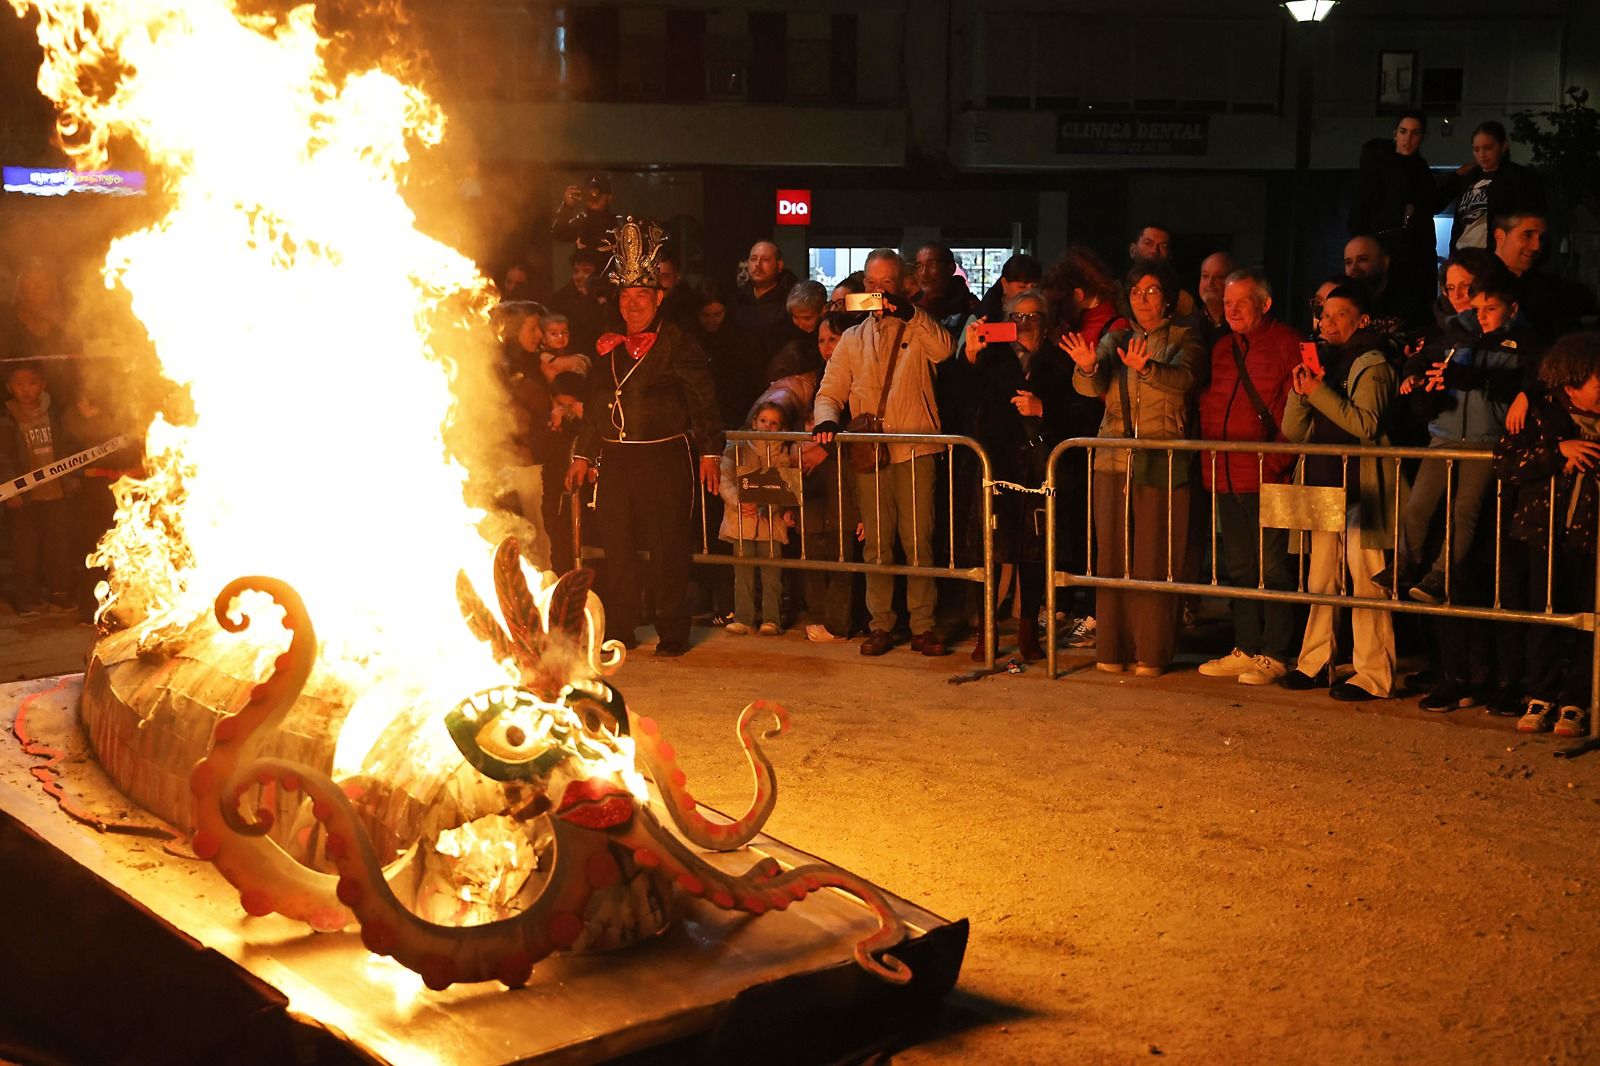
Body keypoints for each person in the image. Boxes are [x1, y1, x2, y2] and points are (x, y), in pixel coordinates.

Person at [566, 219, 723, 657]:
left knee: (667, 545)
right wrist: (584, 453)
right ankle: (621, 627)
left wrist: (711, 451)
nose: (632, 305)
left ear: (658, 297)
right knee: (616, 548)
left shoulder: (679, 343)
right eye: (626, 296)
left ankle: (673, 632)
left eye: (641, 296)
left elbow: (703, 398)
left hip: (664, 457)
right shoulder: (608, 344)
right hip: (616, 459)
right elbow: (598, 401)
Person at [1061, 258, 1203, 677]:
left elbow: (1185, 381)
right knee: (1112, 555)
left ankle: (1153, 652)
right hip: (1112, 456)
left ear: (1169, 298)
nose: (1143, 299)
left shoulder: (1186, 337)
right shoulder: (1117, 336)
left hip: (1161, 455)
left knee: (1154, 557)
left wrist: (1148, 368)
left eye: (1152, 290)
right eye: (1136, 291)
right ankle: (1113, 646)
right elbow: (1089, 384)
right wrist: (1087, 365)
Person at [812, 248, 955, 657]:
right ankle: (881, 624)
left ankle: (923, 624)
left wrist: (910, 313)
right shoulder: (854, 338)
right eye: (871, 284)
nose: (879, 291)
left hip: (915, 447)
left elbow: (945, 350)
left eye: (887, 282)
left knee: (918, 540)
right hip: (870, 452)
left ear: (903, 283)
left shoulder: (919, 328)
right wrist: (826, 420)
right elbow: (831, 389)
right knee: (876, 543)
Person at [1278, 284, 1400, 701]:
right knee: (1319, 578)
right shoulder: (1324, 363)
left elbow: (1365, 425)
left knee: (1368, 581)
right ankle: (1314, 662)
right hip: (1320, 479)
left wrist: (1318, 392)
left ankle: (1373, 673)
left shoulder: (1375, 364)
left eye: (1338, 315)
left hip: (1362, 485)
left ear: (1362, 320)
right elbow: (1293, 432)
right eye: (1323, 315)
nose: (1326, 323)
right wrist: (1300, 392)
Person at [1389, 270, 1534, 606]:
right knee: (1417, 505)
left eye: (1490, 308)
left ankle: (1441, 575)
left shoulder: (1522, 343)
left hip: (1485, 439)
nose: (1480, 315)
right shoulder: (1458, 331)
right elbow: (1425, 359)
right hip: (1445, 434)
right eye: (1477, 307)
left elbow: (1521, 381)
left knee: (1464, 510)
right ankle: (1403, 564)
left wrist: (1474, 378)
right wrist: (1414, 376)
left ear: (1512, 309)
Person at [952, 288, 1076, 662]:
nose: (1025, 324)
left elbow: (1079, 410)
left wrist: (1043, 408)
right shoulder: (990, 357)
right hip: (995, 463)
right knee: (989, 549)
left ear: (1046, 322)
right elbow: (961, 400)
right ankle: (985, 630)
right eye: (1017, 317)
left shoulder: (1058, 360)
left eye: (1033, 316)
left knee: (1035, 551)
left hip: (1040, 468)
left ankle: (1027, 630)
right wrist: (970, 355)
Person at [1194, 270, 1302, 686]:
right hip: (1225, 473)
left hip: (1266, 473)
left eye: (1242, 301)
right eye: (1227, 303)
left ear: (1265, 304)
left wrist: (1277, 460)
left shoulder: (1286, 343)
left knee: (1273, 566)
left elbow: (1298, 405)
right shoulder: (1222, 348)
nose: (1232, 309)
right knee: (1239, 564)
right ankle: (1246, 645)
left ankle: (1275, 651)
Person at [1495, 331, 1600, 737]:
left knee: (1591, 617)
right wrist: (1558, 452)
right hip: (1545, 532)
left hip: (1592, 534)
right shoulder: (1539, 413)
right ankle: (1541, 695)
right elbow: (1505, 463)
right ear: (1572, 384)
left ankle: (1576, 701)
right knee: (1547, 613)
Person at [1041, 244, 1126, 648]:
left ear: (1077, 294)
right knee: (1076, 527)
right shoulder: (1088, 324)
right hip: (1073, 443)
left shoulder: (1113, 327)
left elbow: (1096, 389)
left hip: (1096, 440)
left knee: (1097, 532)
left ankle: (1095, 612)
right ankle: (1076, 605)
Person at [1349, 110, 1438, 327]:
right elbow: (1362, 207)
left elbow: (1430, 204)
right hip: (1386, 249)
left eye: (1415, 133)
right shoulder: (1379, 166)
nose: (1408, 139)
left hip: (1416, 254)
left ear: (1422, 137)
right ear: (1395, 134)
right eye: (1403, 132)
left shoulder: (1421, 170)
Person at [1, 363, 75, 614]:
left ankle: (60, 592)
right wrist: (11, 489)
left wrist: (70, 480)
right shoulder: (6, 417)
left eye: (31, 383)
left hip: (56, 492)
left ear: (43, 384)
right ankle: (26, 598)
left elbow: (69, 447)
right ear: (9, 387)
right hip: (23, 497)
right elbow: (4, 456)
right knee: (24, 551)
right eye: (19, 385)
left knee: (59, 546)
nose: (26, 390)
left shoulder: (56, 413)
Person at [718, 401, 795, 636]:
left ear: (781, 428)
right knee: (743, 573)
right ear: (754, 422)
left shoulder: (783, 452)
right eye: (764, 421)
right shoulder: (737, 446)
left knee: (772, 573)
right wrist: (740, 503)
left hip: (770, 522)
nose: (768, 426)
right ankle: (743, 617)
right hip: (741, 520)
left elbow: (784, 484)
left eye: (774, 423)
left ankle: (771, 619)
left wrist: (767, 506)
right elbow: (725, 479)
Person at [1438, 121, 1546, 255]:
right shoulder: (1469, 177)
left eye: (1488, 148)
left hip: (1495, 255)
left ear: (1503, 146)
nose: (1481, 155)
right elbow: (1440, 205)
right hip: (1463, 253)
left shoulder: (1518, 177)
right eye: (1476, 149)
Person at [730, 241, 798, 360]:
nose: (757, 264)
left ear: (779, 265)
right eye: (753, 259)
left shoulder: (791, 300)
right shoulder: (736, 298)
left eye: (765, 260)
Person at [548, 248, 611, 359]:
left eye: (586, 272)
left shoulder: (611, 299)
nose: (578, 277)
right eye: (576, 271)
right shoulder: (560, 301)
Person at [912, 241, 980, 330]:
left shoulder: (970, 308)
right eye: (919, 266)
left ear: (950, 268)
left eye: (932, 265)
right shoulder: (913, 307)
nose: (924, 273)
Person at [550, 174, 615, 252]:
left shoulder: (618, 224)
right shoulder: (580, 223)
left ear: (609, 197)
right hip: (585, 263)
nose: (594, 197)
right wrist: (567, 206)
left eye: (598, 194)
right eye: (589, 194)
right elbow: (558, 233)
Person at [1186, 251, 1237, 350]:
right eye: (1205, 276)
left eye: (1219, 277)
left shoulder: (1242, 326)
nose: (1210, 283)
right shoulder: (1185, 327)